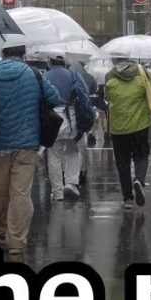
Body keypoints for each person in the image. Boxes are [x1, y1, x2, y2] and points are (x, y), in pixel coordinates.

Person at [0, 44, 62, 257]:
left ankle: (0, 230)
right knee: (21, 193)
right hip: (27, 143)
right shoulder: (34, 75)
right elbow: (55, 98)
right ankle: (16, 241)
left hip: (0, 144)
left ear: (3, 54)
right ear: (23, 54)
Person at [98, 55, 151, 207]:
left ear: (114, 60)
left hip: (118, 128)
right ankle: (139, 180)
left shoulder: (109, 76)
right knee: (141, 155)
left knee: (122, 163)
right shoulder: (141, 71)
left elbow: (107, 97)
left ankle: (127, 198)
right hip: (140, 124)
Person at [43, 53, 94, 201]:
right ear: (64, 62)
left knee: (54, 156)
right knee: (73, 150)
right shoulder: (73, 75)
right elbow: (84, 94)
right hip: (72, 119)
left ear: (50, 62)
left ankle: (57, 192)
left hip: (52, 120)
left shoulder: (45, 77)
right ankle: (71, 184)